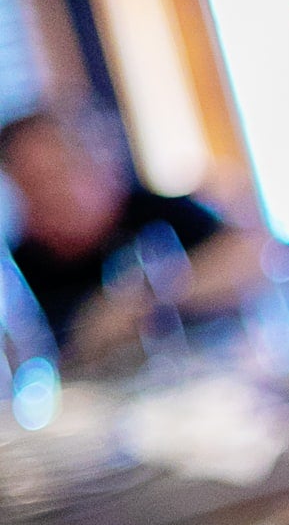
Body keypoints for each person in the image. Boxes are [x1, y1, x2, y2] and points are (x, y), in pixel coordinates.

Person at [0, 108, 266, 368]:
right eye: (31, 184)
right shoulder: (18, 276)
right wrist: (89, 334)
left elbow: (256, 256)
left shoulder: (156, 214)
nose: (50, 195)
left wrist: (151, 300)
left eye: (56, 174)